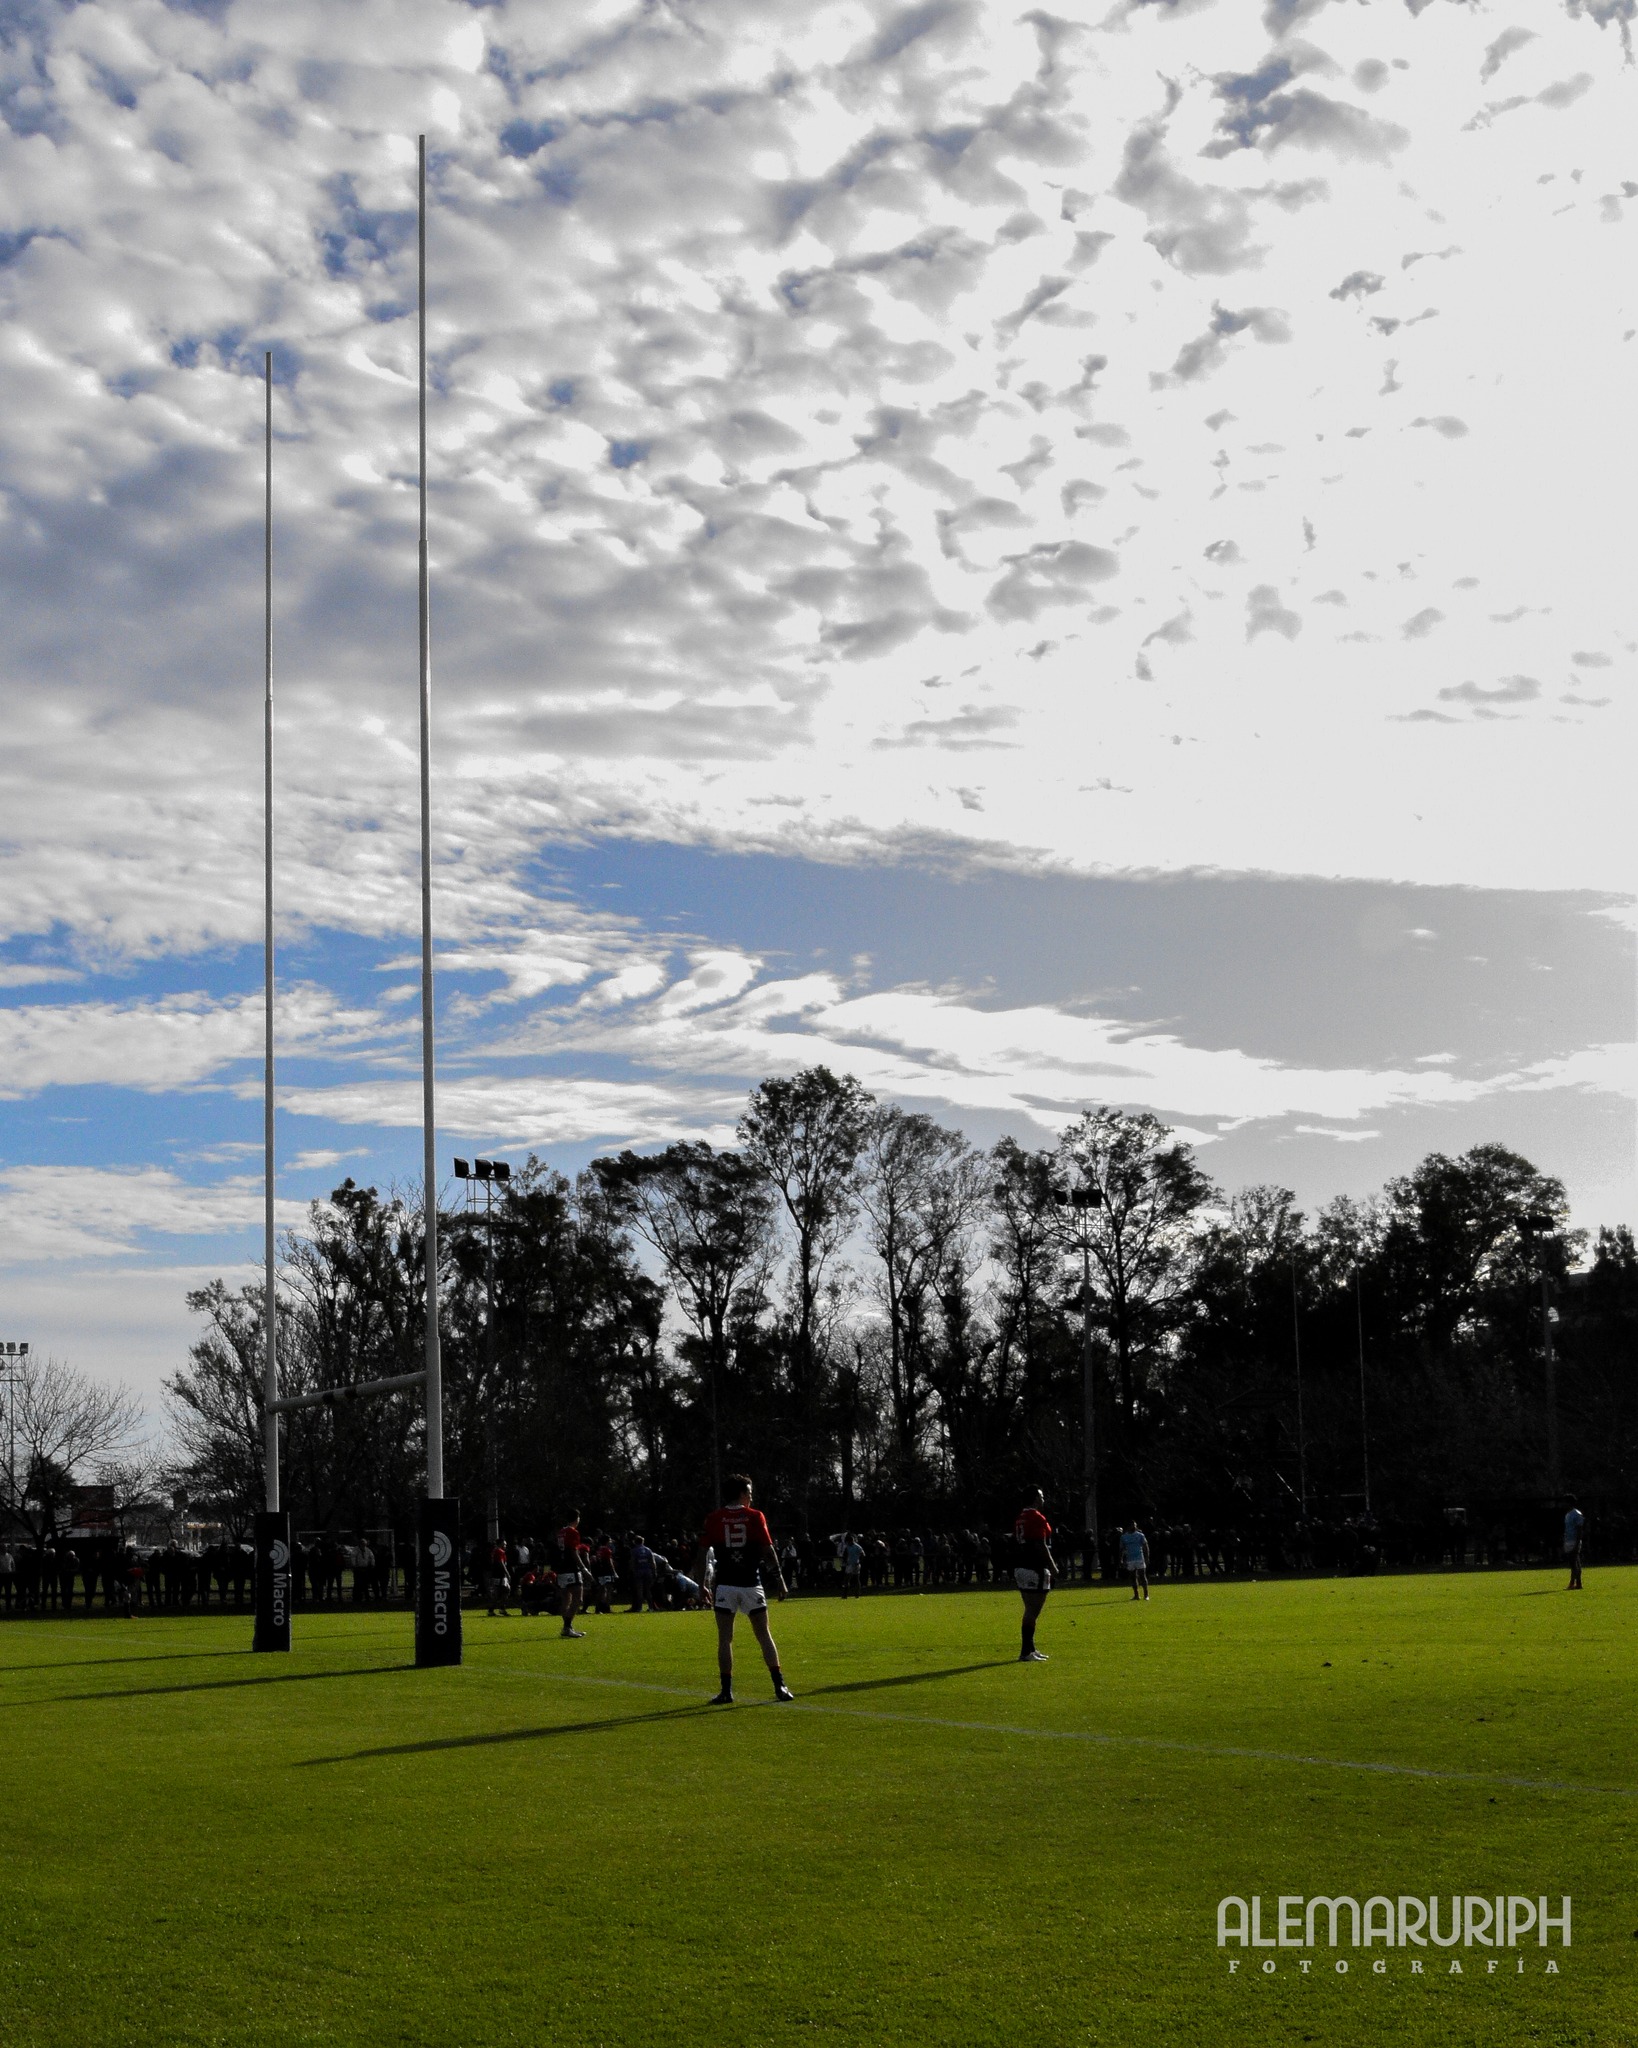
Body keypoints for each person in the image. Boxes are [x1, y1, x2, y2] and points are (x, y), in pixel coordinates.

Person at [695, 1475, 794, 1705]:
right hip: (751, 1583)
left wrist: (701, 1585)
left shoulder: (714, 1518)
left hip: (726, 1585)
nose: (751, 1496)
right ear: (740, 1494)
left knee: (725, 1639)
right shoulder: (755, 1516)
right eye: (749, 1492)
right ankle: (779, 1685)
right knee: (763, 1635)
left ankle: (726, 1691)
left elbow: (701, 1554)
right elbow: (769, 1550)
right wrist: (780, 1580)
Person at [1013, 1489, 1056, 1662]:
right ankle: (1025, 1651)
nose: (1043, 1499)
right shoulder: (1036, 1517)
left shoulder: (1020, 1517)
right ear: (1035, 1498)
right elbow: (1040, 1544)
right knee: (1033, 1610)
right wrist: (1053, 1566)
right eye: (1041, 1496)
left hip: (1021, 1565)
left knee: (1030, 1609)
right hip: (1034, 1566)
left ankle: (1030, 1648)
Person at [556, 1513, 592, 1637]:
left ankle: (567, 1627)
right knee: (578, 1599)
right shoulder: (573, 1532)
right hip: (571, 1568)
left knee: (566, 1599)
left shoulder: (561, 1531)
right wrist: (584, 1569)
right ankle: (567, 1627)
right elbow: (573, 1551)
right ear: (577, 1519)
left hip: (561, 1568)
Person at [1119, 1523, 1151, 1601]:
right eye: (1132, 1525)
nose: (1134, 1527)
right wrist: (1121, 1559)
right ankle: (1136, 1595)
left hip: (1140, 1558)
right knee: (1133, 1577)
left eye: (1135, 1525)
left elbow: (1145, 1546)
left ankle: (1146, 1595)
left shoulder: (1140, 1535)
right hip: (1130, 1559)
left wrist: (1147, 1557)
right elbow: (1121, 1549)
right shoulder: (1124, 1537)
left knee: (1142, 1576)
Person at [1563, 1497, 1586, 1590]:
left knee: (1574, 1562)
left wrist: (1577, 1542)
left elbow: (1579, 1529)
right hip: (1568, 1540)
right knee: (1574, 1562)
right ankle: (1575, 1583)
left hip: (1574, 1540)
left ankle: (1575, 1583)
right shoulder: (1568, 1514)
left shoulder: (1576, 1514)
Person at [841, 1532, 865, 1598]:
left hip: (852, 1564)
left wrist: (859, 1561)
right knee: (855, 1579)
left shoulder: (854, 1547)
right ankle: (856, 1594)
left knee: (848, 1579)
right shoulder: (856, 1546)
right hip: (854, 1563)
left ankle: (846, 1594)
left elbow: (863, 1555)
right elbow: (863, 1554)